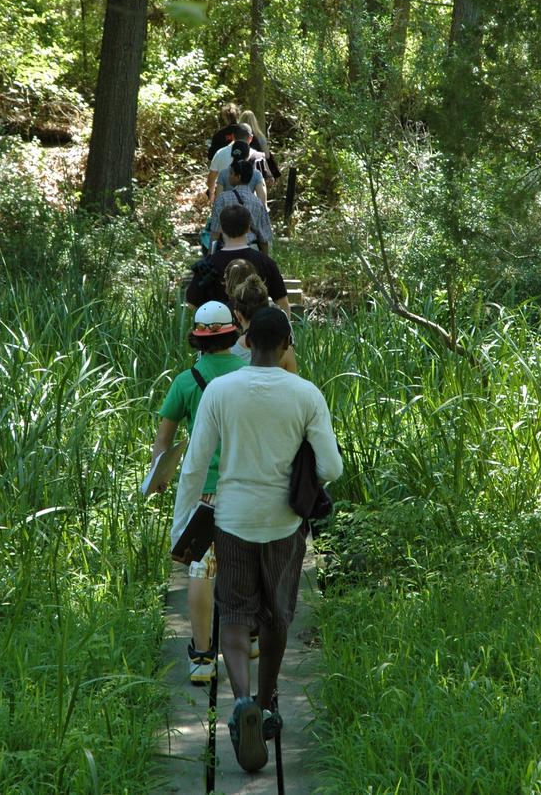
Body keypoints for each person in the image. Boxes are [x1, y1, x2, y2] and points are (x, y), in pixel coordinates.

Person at [171, 307, 343, 772]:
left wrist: (183, 521)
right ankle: (267, 706)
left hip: (231, 520)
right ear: (287, 345)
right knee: (276, 614)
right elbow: (332, 468)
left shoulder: (221, 392)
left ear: (246, 342)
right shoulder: (306, 394)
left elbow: (194, 463)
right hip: (284, 524)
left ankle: (242, 700)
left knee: (235, 614)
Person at [150, 301, 246, 685]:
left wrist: (158, 477)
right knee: (244, 566)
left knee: (200, 570)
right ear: (230, 333)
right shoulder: (249, 374)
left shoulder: (185, 382)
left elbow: (163, 442)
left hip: (203, 495)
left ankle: (203, 657)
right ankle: (250, 639)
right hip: (245, 488)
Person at [186, 205, 290, 314]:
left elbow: (191, 306)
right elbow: (283, 305)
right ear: (248, 228)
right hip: (256, 329)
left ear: (221, 228)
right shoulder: (266, 262)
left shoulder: (207, 264)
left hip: (218, 328)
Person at [228, 271, 297, 373]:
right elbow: (293, 384)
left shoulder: (228, 352)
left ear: (238, 315)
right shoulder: (285, 351)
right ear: (266, 309)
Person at [209, 159, 274, 254]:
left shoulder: (222, 198)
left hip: (227, 250)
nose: (228, 176)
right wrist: (266, 260)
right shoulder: (257, 202)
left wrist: (210, 257)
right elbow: (264, 237)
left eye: (231, 173)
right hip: (251, 250)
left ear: (238, 177)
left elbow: (215, 232)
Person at [207, 124, 267, 206]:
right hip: (251, 208)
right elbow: (262, 187)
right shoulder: (259, 157)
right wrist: (263, 209)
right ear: (251, 138)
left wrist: (211, 194)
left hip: (226, 208)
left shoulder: (220, 153)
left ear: (233, 136)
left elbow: (211, 179)